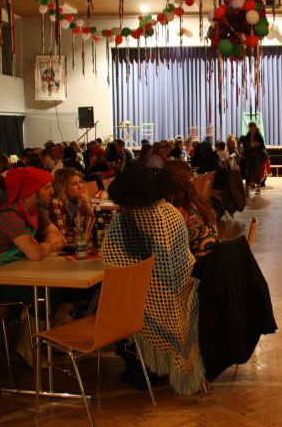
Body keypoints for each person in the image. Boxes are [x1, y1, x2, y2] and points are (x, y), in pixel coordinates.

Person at [100, 167, 205, 396]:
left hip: (140, 307)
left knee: (102, 300)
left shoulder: (123, 222)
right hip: (184, 295)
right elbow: (182, 256)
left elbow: (113, 267)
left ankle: (145, 361)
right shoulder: (172, 213)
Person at [0, 167, 65, 274]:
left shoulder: (37, 211)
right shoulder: (9, 216)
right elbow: (36, 253)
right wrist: (50, 242)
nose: (52, 191)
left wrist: (41, 247)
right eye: (47, 188)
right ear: (31, 193)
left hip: (21, 271)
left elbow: (62, 239)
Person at [164, 161, 219, 256]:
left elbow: (168, 244)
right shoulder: (198, 201)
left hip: (199, 262)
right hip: (213, 258)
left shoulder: (179, 209)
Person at [48, 167, 95, 246]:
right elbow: (62, 238)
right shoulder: (55, 203)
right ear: (63, 187)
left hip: (77, 247)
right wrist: (83, 236)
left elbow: (92, 231)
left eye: (80, 182)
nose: (80, 187)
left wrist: (87, 207)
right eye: (74, 184)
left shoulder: (78, 202)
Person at [240, 122, 266, 194]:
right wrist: (248, 145)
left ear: (255, 128)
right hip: (249, 156)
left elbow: (263, 146)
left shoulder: (259, 136)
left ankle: (258, 188)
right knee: (247, 171)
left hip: (257, 156)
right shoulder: (247, 136)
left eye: (252, 127)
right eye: (250, 127)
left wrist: (257, 144)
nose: (251, 129)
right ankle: (246, 188)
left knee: (256, 171)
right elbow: (244, 146)